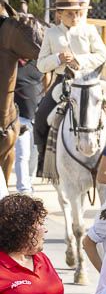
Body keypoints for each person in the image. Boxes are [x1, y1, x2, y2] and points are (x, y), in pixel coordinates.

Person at [33, 0, 106, 177]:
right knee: (41, 118)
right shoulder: (51, 33)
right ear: (59, 14)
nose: (75, 17)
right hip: (63, 81)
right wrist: (58, 59)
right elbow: (41, 65)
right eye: (70, 14)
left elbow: (103, 56)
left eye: (77, 13)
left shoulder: (89, 30)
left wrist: (79, 60)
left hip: (91, 79)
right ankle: (45, 160)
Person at [13, 59, 43, 195]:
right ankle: (23, 189)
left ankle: (29, 183)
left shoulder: (37, 62)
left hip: (37, 116)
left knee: (34, 154)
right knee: (22, 154)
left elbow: (46, 77)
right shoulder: (11, 63)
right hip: (19, 117)